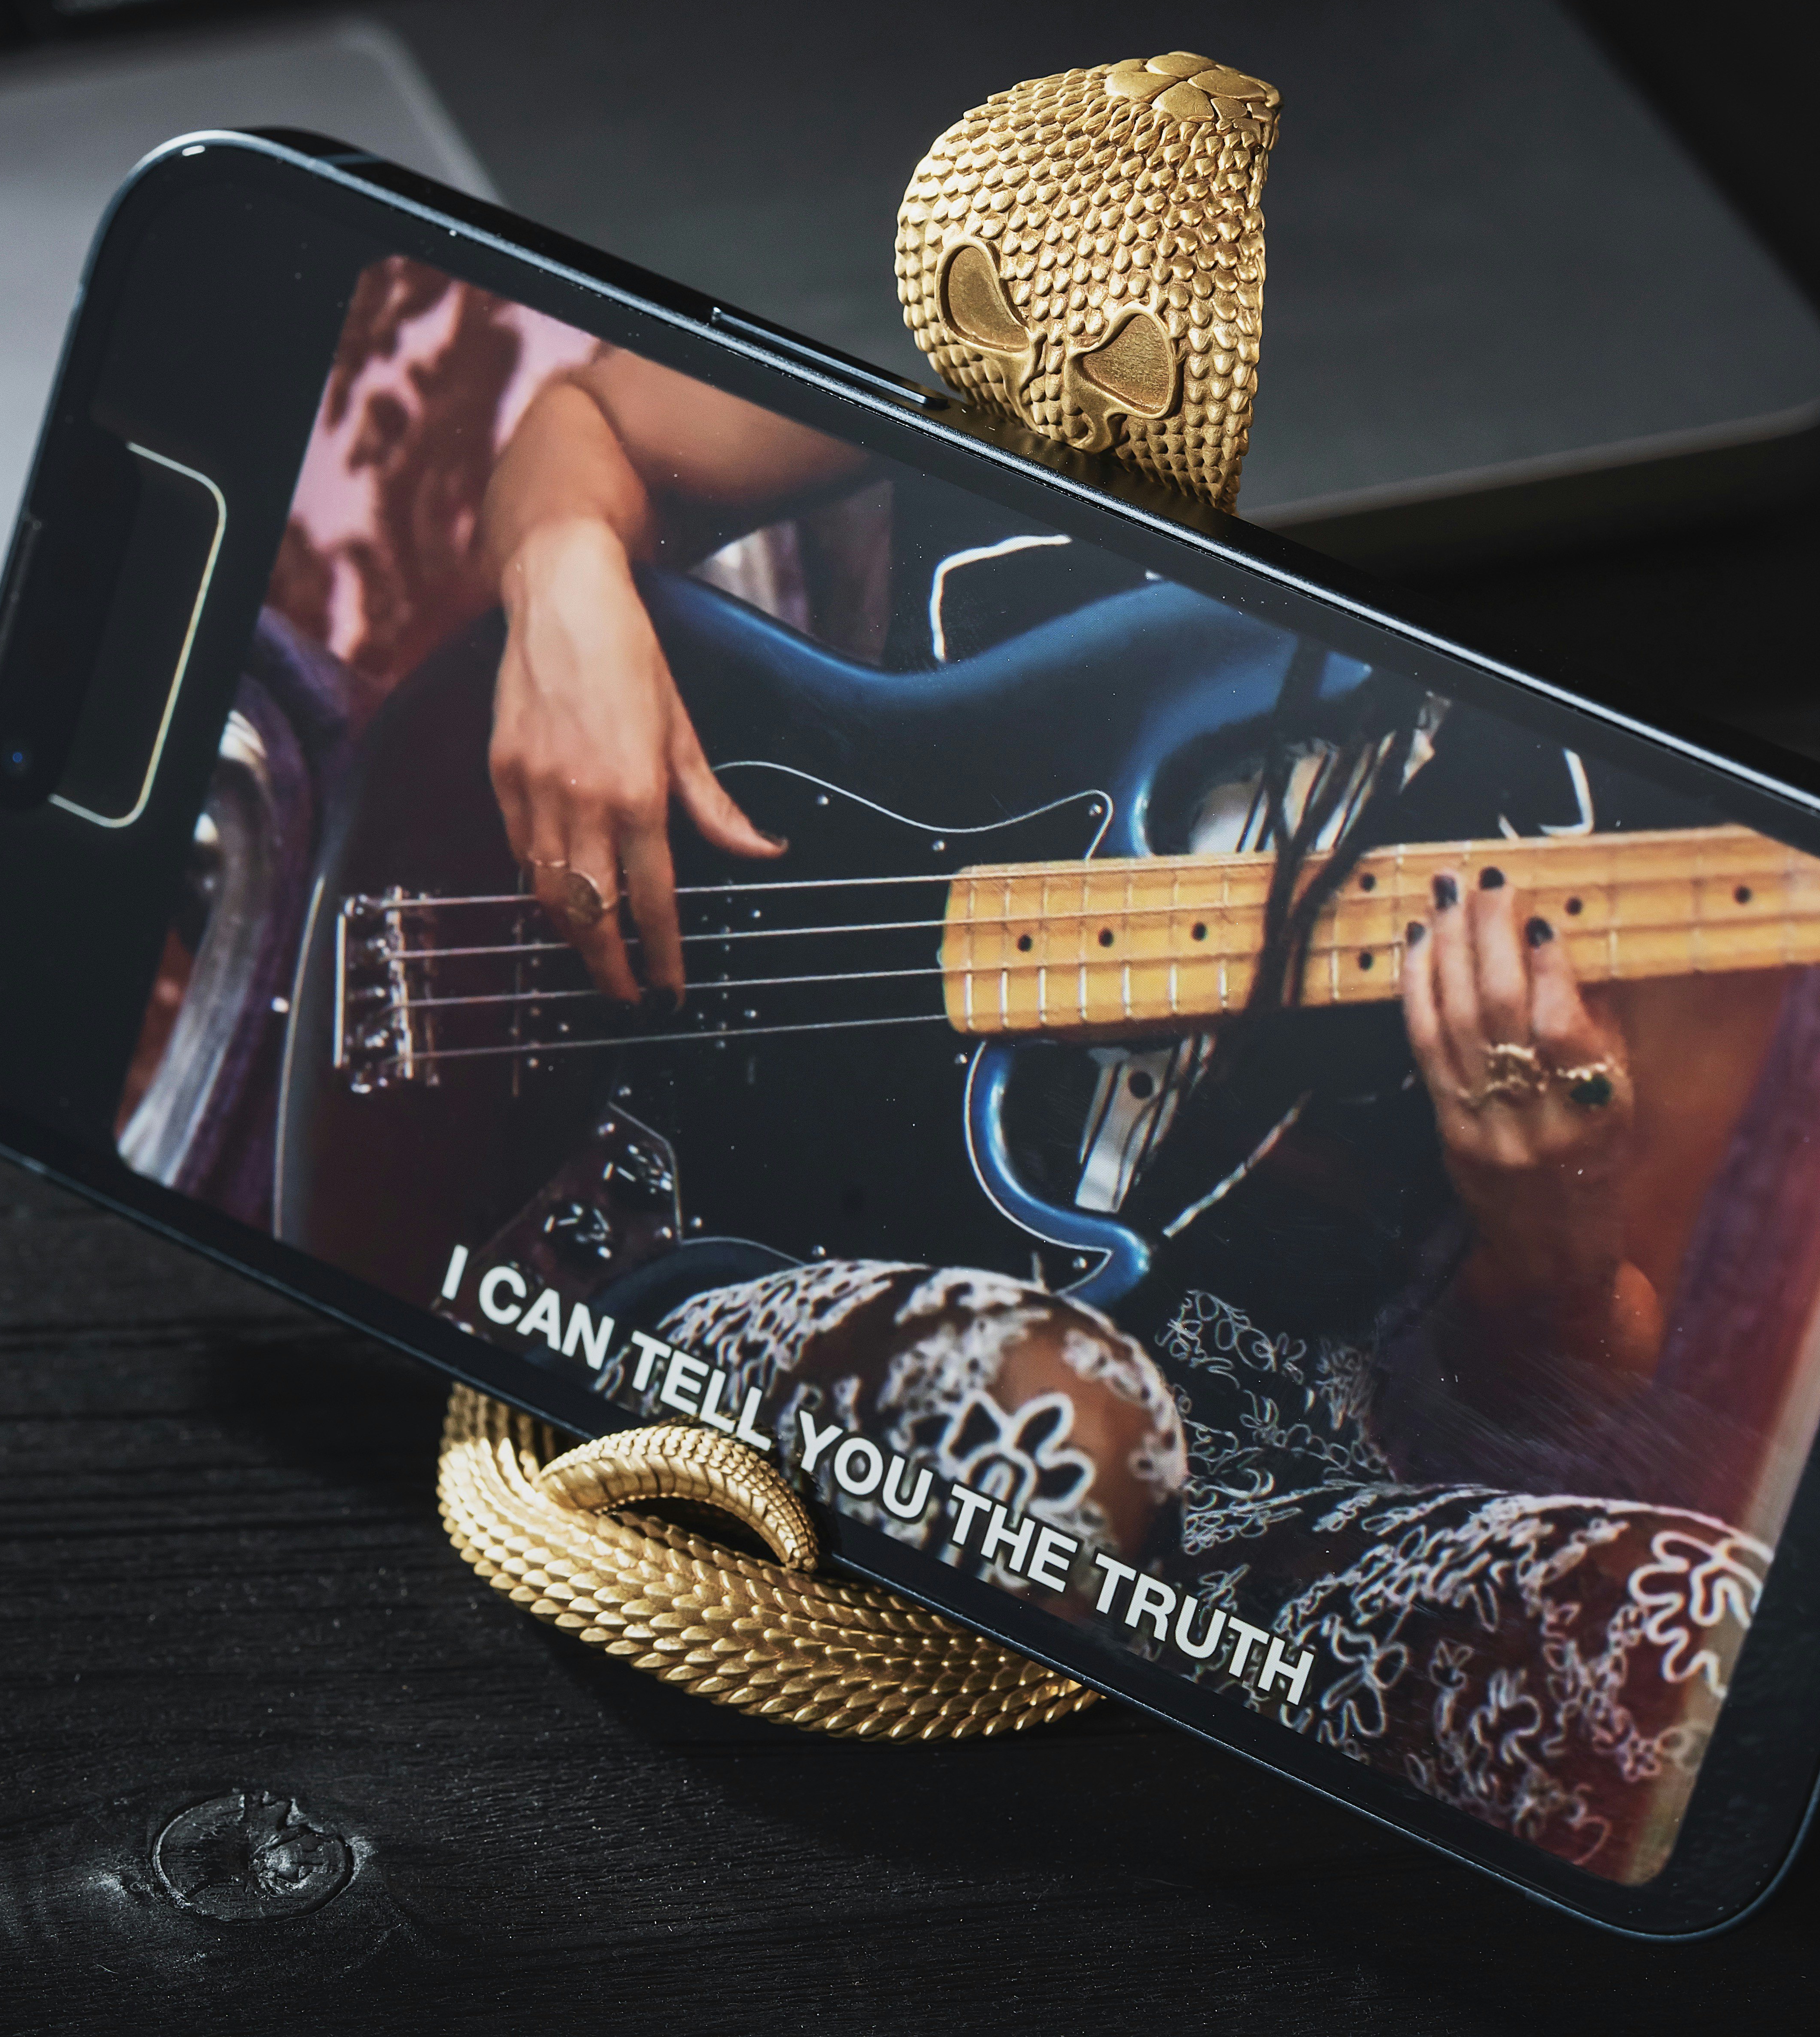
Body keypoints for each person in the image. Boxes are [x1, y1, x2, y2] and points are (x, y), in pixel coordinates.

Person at [470, 338, 1808, 1871]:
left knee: (1679, 1641)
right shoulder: (1071, 313)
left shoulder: (1613, 806)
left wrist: (1550, 1222)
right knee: (1067, 1417)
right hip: (756, 1249)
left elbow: (1542, 1388)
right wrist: (567, 572)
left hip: (1252, 1465)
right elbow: (586, 420)